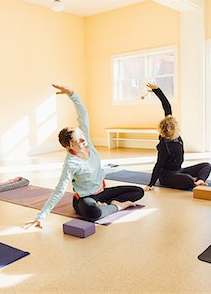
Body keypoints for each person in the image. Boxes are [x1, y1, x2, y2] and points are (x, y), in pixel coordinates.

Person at [24, 84, 144, 229]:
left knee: (138, 191)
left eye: (81, 136)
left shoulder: (86, 141)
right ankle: (117, 206)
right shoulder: (71, 163)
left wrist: (72, 94)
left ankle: (108, 205)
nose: (83, 140)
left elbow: (83, 115)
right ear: (69, 146)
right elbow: (59, 190)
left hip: (102, 192)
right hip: (85, 198)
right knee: (93, 213)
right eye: (78, 139)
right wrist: (41, 216)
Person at [144, 83, 211, 192]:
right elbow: (159, 165)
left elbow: (167, 106)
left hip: (179, 170)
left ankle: (199, 181)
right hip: (167, 176)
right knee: (187, 180)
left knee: (206, 166)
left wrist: (157, 90)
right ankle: (194, 182)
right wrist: (151, 183)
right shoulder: (164, 145)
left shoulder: (170, 126)